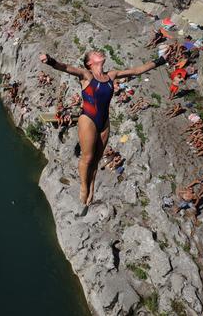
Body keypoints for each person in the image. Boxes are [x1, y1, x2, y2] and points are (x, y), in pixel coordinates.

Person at [39, 50, 166, 214]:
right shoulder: (86, 75)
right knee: (88, 157)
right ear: (89, 63)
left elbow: (137, 70)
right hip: (88, 119)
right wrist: (49, 60)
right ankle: (84, 186)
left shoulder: (111, 75)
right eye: (95, 53)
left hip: (104, 121)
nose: (99, 52)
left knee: (97, 159)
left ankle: (91, 184)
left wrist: (162, 60)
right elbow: (65, 67)